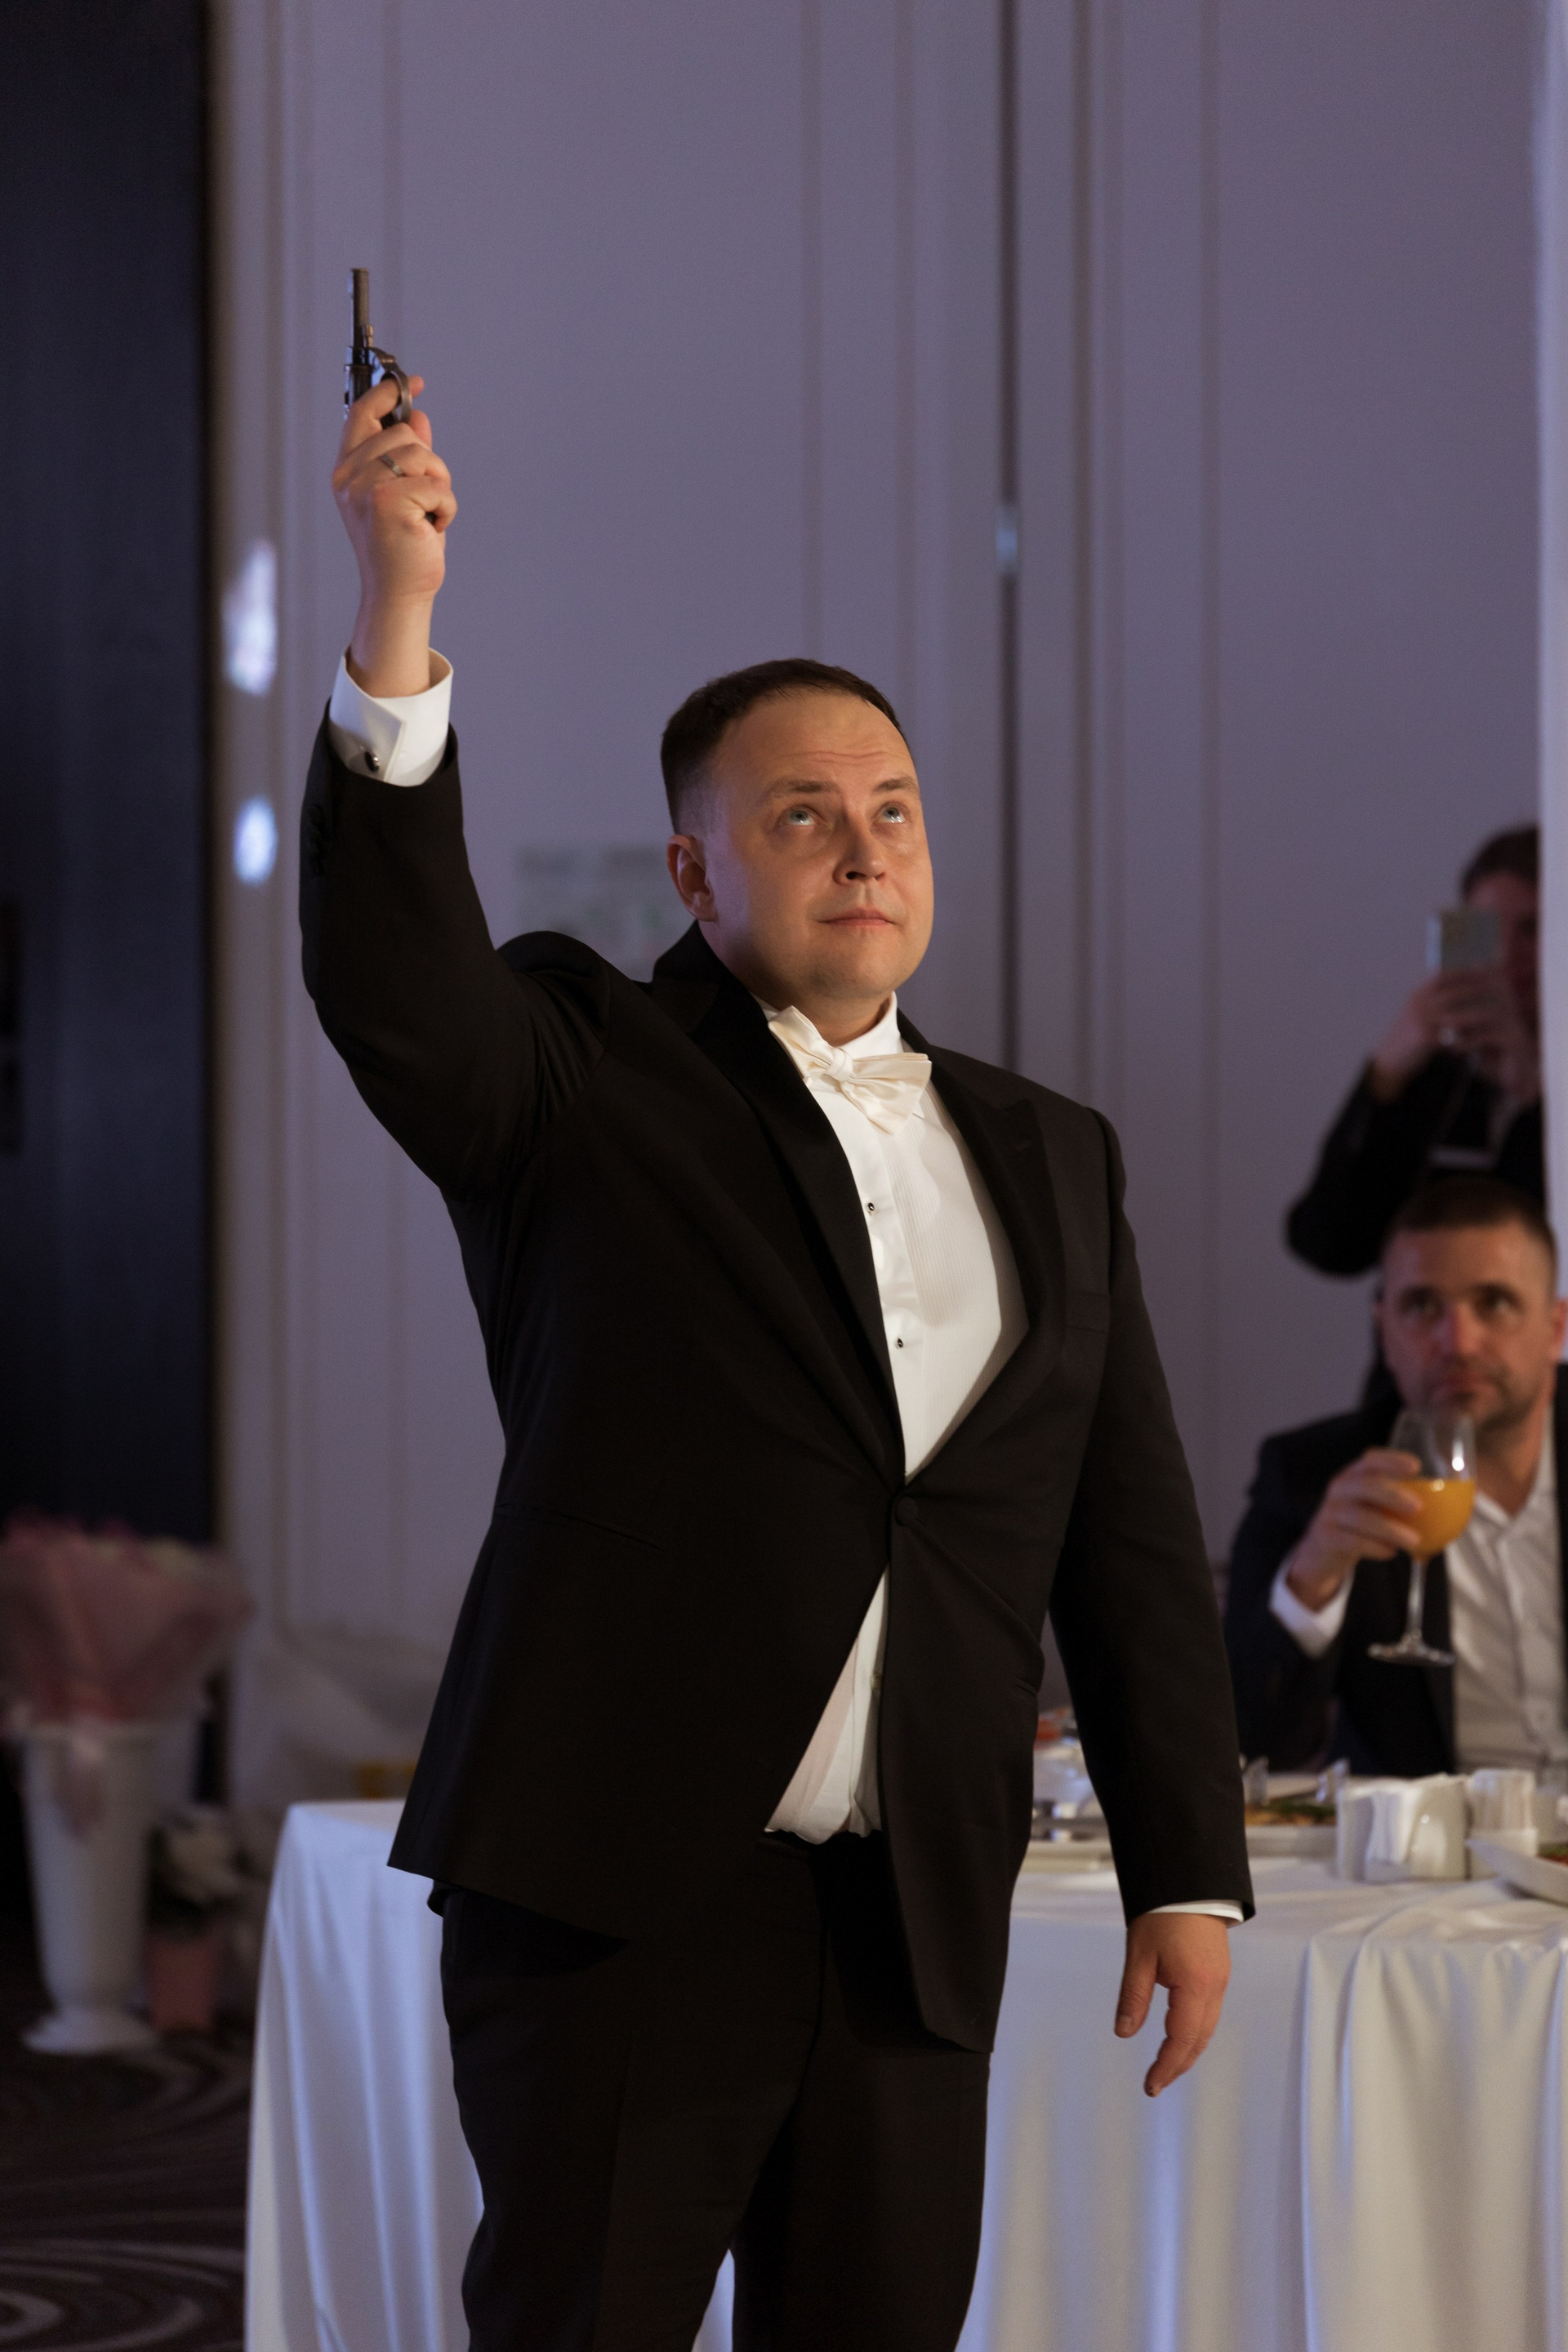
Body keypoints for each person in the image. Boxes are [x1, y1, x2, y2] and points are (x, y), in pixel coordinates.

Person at [304, 368, 1251, 2352]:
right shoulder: (585, 1068)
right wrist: (397, 618)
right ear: (693, 871)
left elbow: (1128, 1535)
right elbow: (401, 993)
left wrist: (1188, 1866)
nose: (862, 848)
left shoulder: (1054, 1150)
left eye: (892, 811)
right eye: (801, 815)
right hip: (619, 1899)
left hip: (911, 1917)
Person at [1226, 1178, 1568, 1779]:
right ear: (1384, 1331)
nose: (1458, 1343)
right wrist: (1314, 1578)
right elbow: (1251, 1742)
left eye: (1494, 1303)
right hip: (1428, 1835)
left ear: (1556, 1328)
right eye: (1423, 1307)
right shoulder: (1313, 1475)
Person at [1286, 826, 1541, 1281]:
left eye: (1532, 929)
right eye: (1485, 930)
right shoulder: (1440, 1075)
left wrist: (1535, 1095)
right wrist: (1386, 1073)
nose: (1506, 955)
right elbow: (1329, 1244)